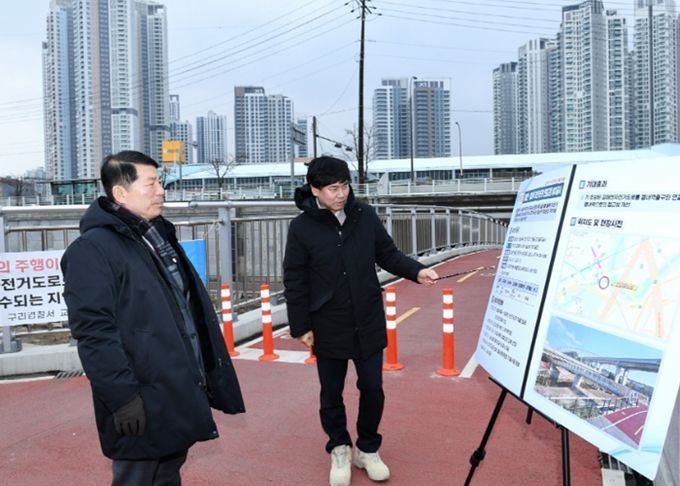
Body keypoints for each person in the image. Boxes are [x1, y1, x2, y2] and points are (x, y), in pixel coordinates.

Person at [61, 150, 245, 486]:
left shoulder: (155, 236)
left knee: (167, 473)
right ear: (121, 193)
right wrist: (123, 399)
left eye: (160, 182)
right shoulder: (92, 249)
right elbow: (94, 333)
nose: (161, 191)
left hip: (174, 385)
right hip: (140, 393)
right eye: (151, 184)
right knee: (137, 476)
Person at [283, 156, 439, 486]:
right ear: (315, 190)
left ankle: (367, 449)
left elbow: (388, 254)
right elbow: (295, 279)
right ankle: (339, 447)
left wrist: (416, 271)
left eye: (344, 186)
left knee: (372, 388)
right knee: (331, 392)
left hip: (367, 316)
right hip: (327, 321)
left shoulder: (364, 215)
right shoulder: (301, 227)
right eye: (332, 188)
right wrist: (301, 326)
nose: (341, 194)